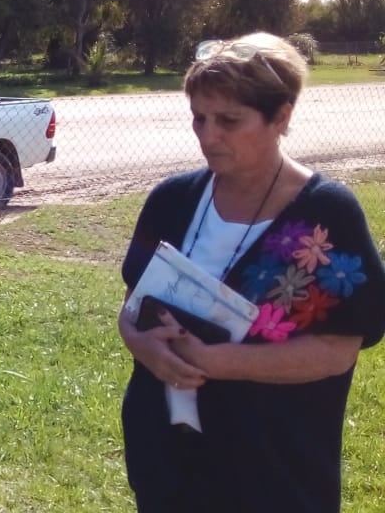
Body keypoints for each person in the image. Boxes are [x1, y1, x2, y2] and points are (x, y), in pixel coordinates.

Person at [117, 32, 385, 512]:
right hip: (169, 463)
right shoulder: (172, 201)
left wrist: (215, 362)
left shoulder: (326, 218)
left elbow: (338, 349)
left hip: (274, 471)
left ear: (281, 117)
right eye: (199, 118)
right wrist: (144, 347)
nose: (207, 135)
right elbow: (133, 306)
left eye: (228, 121)